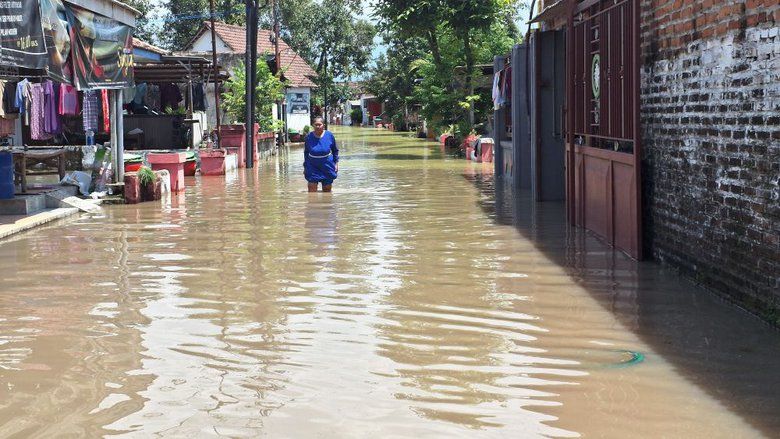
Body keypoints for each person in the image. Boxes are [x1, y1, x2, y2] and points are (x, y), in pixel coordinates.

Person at [303, 117, 339, 192]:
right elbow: (306, 152)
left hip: (327, 165)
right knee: (311, 189)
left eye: (319, 124)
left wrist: (336, 163)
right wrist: (305, 166)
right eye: (316, 124)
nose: (318, 126)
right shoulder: (309, 137)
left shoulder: (329, 135)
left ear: (323, 125)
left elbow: (335, 150)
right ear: (313, 125)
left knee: (327, 190)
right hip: (312, 165)